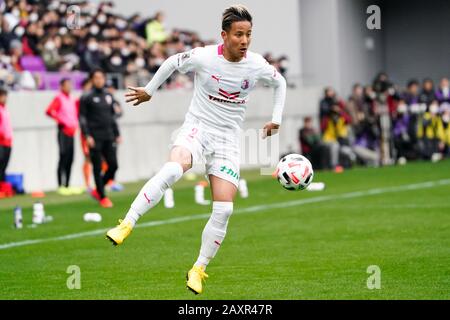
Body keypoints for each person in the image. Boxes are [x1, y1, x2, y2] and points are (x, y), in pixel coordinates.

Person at [106, 5, 286, 295]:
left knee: (225, 209)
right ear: (224, 36)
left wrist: (276, 118)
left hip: (227, 140)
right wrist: (150, 90)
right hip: (197, 129)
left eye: (249, 35)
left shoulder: (255, 64)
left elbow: (280, 82)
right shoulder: (204, 57)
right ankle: (126, 223)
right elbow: (172, 62)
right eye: (239, 34)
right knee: (174, 169)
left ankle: (198, 268)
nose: (244, 41)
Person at [79, 69, 121, 208]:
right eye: (96, 78)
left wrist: (117, 133)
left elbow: (113, 116)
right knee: (97, 167)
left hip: (109, 135)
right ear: (92, 79)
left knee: (113, 165)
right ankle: (103, 197)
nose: (99, 80)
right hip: (94, 137)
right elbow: (82, 118)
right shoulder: (86, 97)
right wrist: (87, 135)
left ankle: (98, 189)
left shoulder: (108, 95)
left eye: (101, 77)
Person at [45, 78, 81, 195]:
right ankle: (60, 185)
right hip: (63, 132)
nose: (69, 87)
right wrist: (61, 121)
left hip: (72, 132)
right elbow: (49, 111)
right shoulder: (59, 98)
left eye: (70, 85)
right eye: (67, 85)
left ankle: (67, 185)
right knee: (63, 157)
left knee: (70, 158)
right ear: (61, 86)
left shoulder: (72, 99)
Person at [0, 88, 13, 197]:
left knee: (4, 167)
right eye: (3, 96)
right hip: (1, 142)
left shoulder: (5, 110)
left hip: (7, 142)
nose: (5, 99)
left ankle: (3, 189)